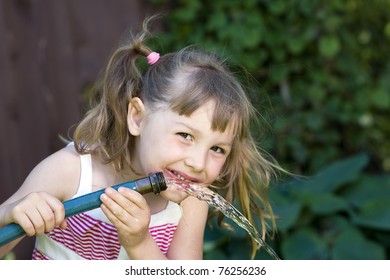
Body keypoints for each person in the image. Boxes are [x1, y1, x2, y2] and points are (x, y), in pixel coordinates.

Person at [0, 17, 281, 260]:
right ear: (137, 117)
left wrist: (139, 243)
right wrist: (10, 214)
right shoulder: (71, 171)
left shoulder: (190, 201)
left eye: (218, 148)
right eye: (185, 135)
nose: (198, 162)